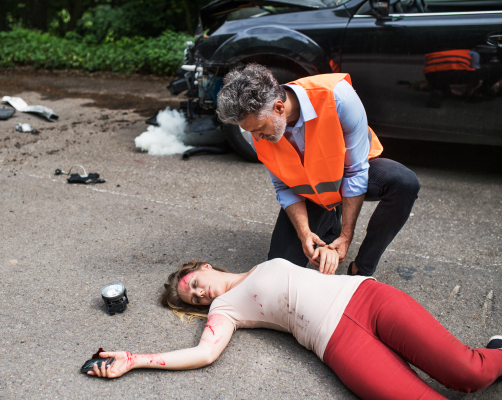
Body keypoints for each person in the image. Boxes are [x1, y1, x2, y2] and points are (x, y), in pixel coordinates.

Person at [87, 259, 502, 400]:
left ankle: (495, 352)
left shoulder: (266, 261)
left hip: (368, 300)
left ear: (204, 267)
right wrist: (135, 360)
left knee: (470, 374)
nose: (199, 293)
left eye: (194, 283)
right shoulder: (225, 310)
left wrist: (326, 246)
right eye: (194, 298)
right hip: (338, 344)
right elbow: (203, 354)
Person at [215, 64, 421, 276]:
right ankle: (329, 222)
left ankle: (362, 269)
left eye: (259, 130)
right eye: (251, 132)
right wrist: (305, 234)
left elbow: (355, 172)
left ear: (279, 107)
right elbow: (283, 187)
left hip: (350, 173)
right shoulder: (254, 128)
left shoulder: (338, 97)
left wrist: (346, 236)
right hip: (312, 194)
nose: (257, 138)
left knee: (404, 183)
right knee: (278, 272)